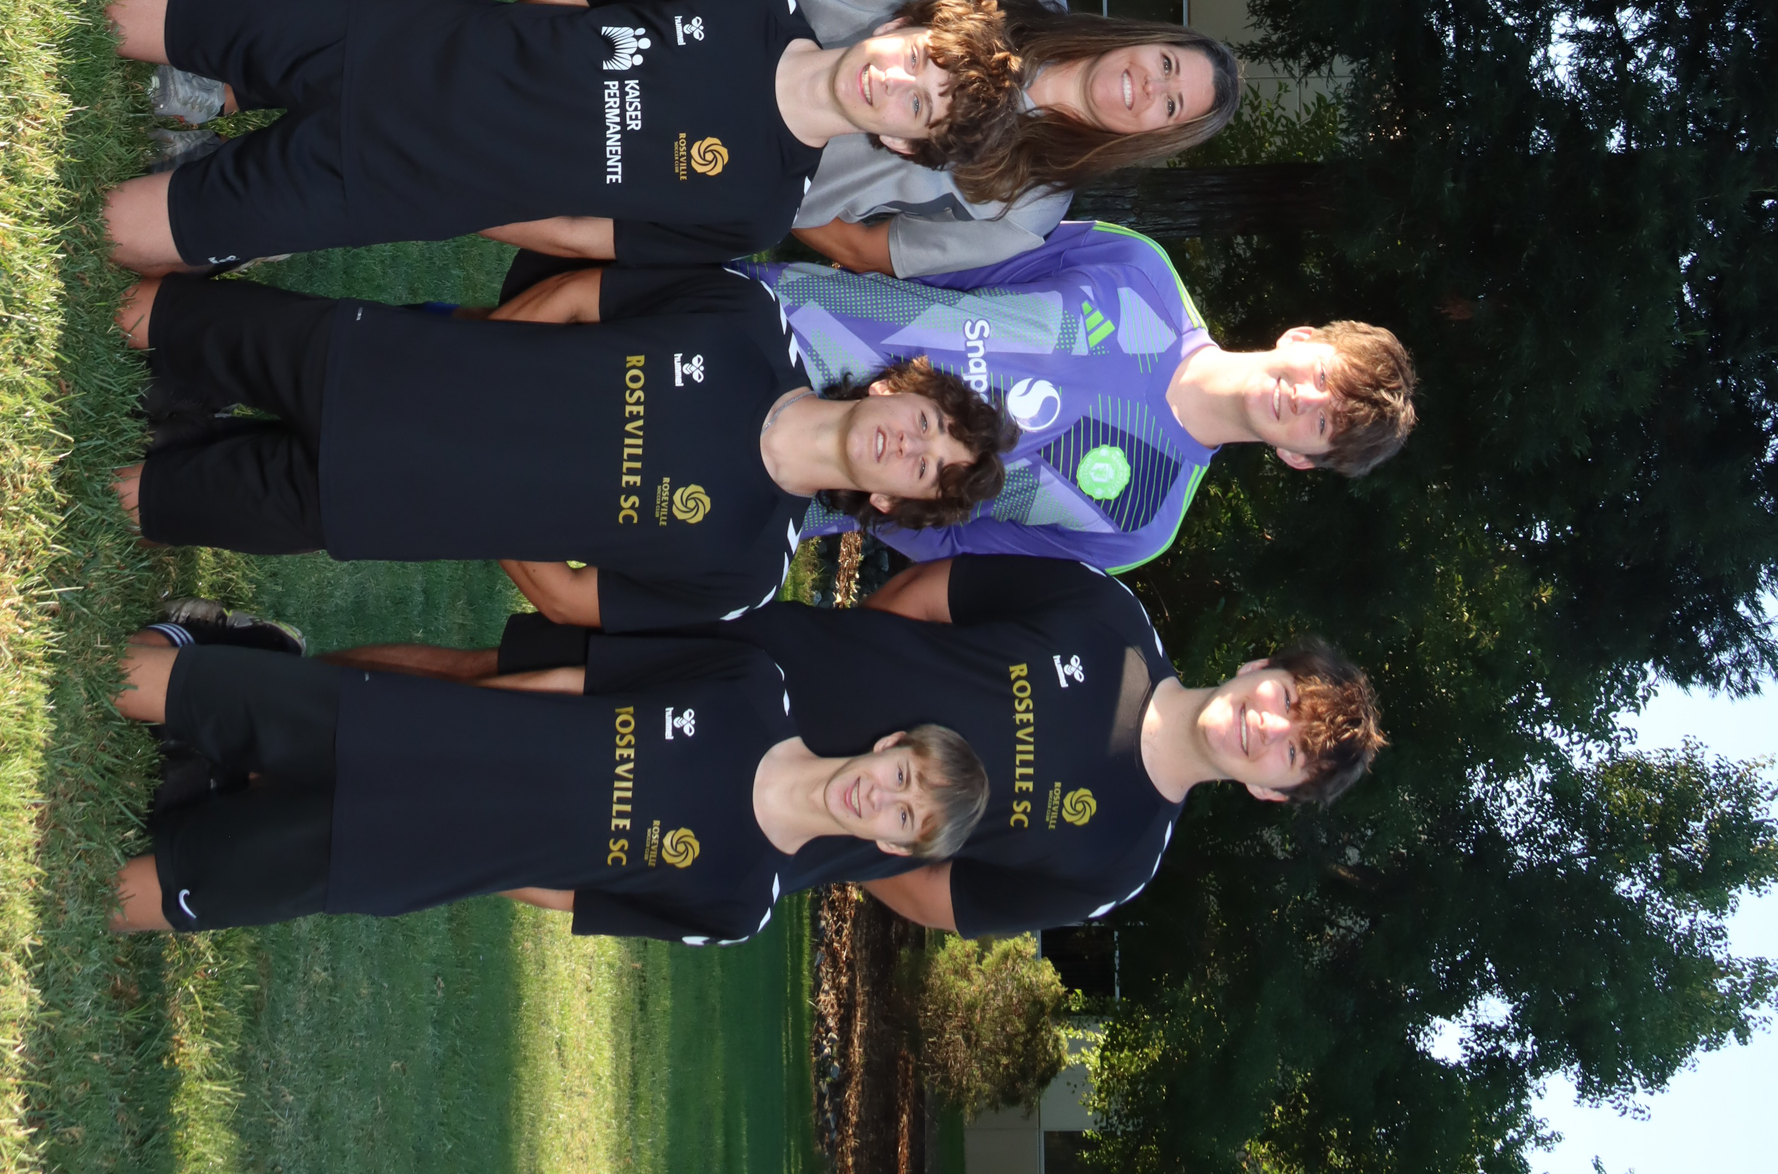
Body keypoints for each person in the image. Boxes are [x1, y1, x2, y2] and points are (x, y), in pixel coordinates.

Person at [485, 560, 1385, 935]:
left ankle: (448, 853)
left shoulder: (1118, 862)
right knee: (499, 680)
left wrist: (853, 832)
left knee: (562, 850)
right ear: (1259, 668)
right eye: (1285, 699)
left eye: (1290, 754)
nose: (1268, 726)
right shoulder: (1111, 618)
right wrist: (844, 666)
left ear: (1272, 792)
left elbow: (936, 897)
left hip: (765, 830)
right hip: (752, 665)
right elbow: (933, 592)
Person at [107, 263, 1012, 623]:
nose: (913, 447)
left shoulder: (744, 571)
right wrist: (476, 362)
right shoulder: (748, 318)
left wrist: (490, 508)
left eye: (927, 474)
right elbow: (583, 296)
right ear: (898, 385)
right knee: (144, 316)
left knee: (128, 500)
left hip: (366, 502)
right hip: (372, 363)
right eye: (929, 424)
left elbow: (577, 601)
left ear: (889, 504)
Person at [100, 0, 1024, 278]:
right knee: (121, 9)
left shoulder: (758, 211)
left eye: (918, 106)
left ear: (901, 142)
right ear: (898, 24)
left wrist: (464, 198)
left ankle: (211, 179)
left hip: (390, 185)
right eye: (917, 59)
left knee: (117, 232)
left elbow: (588, 237)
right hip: (390, 44)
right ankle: (211, 107)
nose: (895, 82)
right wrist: (495, 47)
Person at [106, 606, 990, 941]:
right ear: (891, 744)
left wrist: (472, 857)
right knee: (141, 680)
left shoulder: (738, 902)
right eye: (904, 776)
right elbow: (576, 681)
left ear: (888, 847)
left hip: (396, 854)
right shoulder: (752, 685)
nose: (885, 797)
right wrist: (464, 720)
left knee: (136, 897)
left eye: (903, 818)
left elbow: (574, 898)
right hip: (397, 728)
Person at [747, 221, 1417, 569]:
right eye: (1322, 378)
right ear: (1301, 338)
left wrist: (867, 492)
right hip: (767, 324)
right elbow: (942, 258)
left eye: (1323, 425)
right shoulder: (1140, 271)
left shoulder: (1143, 522)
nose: (1306, 400)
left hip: (771, 491)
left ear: (1299, 458)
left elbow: (952, 550)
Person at [782, 0, 1237, 272]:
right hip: (752, 32)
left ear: (1155, 136)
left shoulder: (1027, 212)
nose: (1153, 86)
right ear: (1147, 39)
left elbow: (865, 250)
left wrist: (775, 198)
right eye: (1166, 64)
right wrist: (790, 17)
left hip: (759, 167)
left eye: (1171, 105)